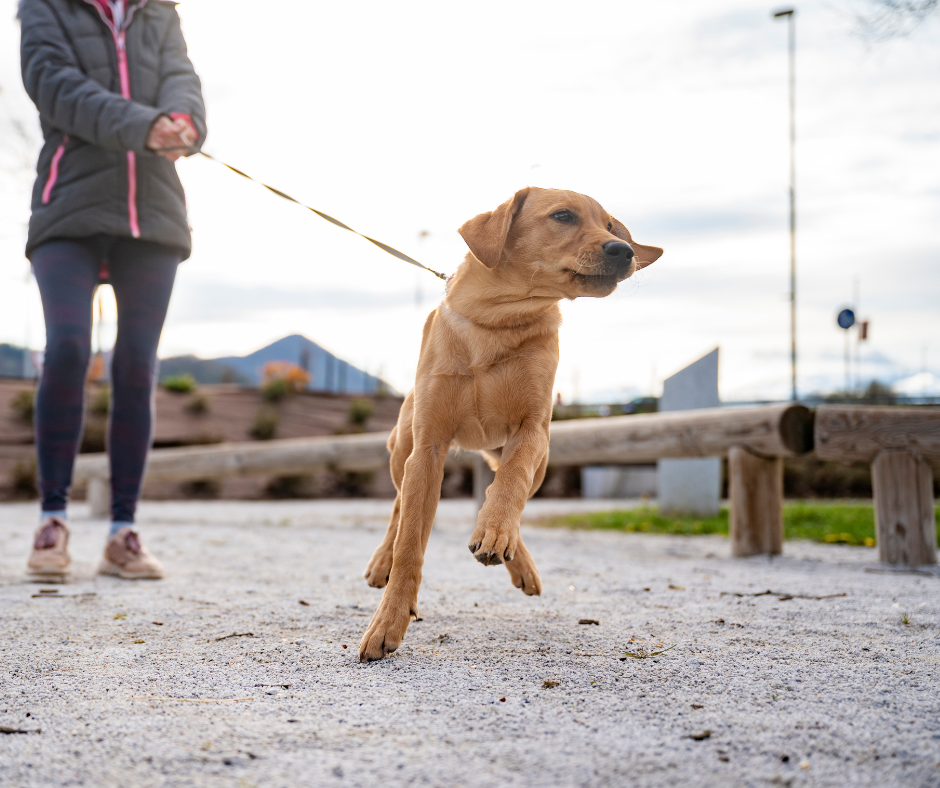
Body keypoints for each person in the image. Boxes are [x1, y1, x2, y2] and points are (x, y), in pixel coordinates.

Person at [18, 0, 206, 579]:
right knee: (70, 347)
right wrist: (142, 126)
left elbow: (183, 79)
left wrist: (184, 122)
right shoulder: (44, 6)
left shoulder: (158, 12)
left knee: (135, 365)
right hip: (68, 209)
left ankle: (123, 531)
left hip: (153, 215)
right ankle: (53, 518)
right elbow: (52, 84)